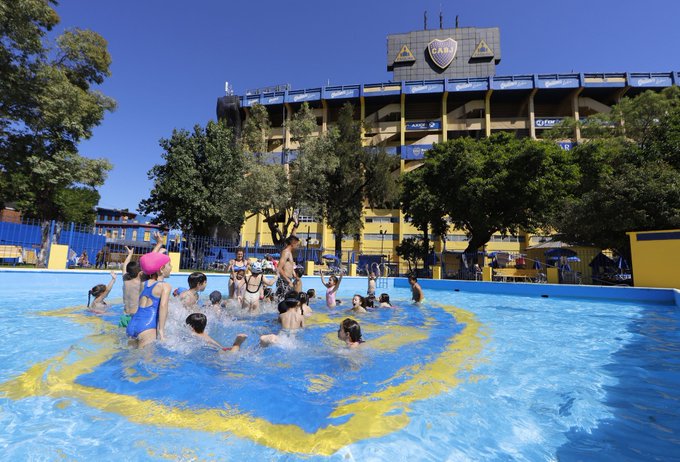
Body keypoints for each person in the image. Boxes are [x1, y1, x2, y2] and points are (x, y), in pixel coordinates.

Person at [126, 252, 172, 348]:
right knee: (147, 357)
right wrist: (161, 331)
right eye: (169, 265)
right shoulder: (165, 286)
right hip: (147, 327)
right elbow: (163, 306)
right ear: (162, 268)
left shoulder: (142, 283)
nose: (171, 267)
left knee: (131, 356)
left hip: (132, 325)